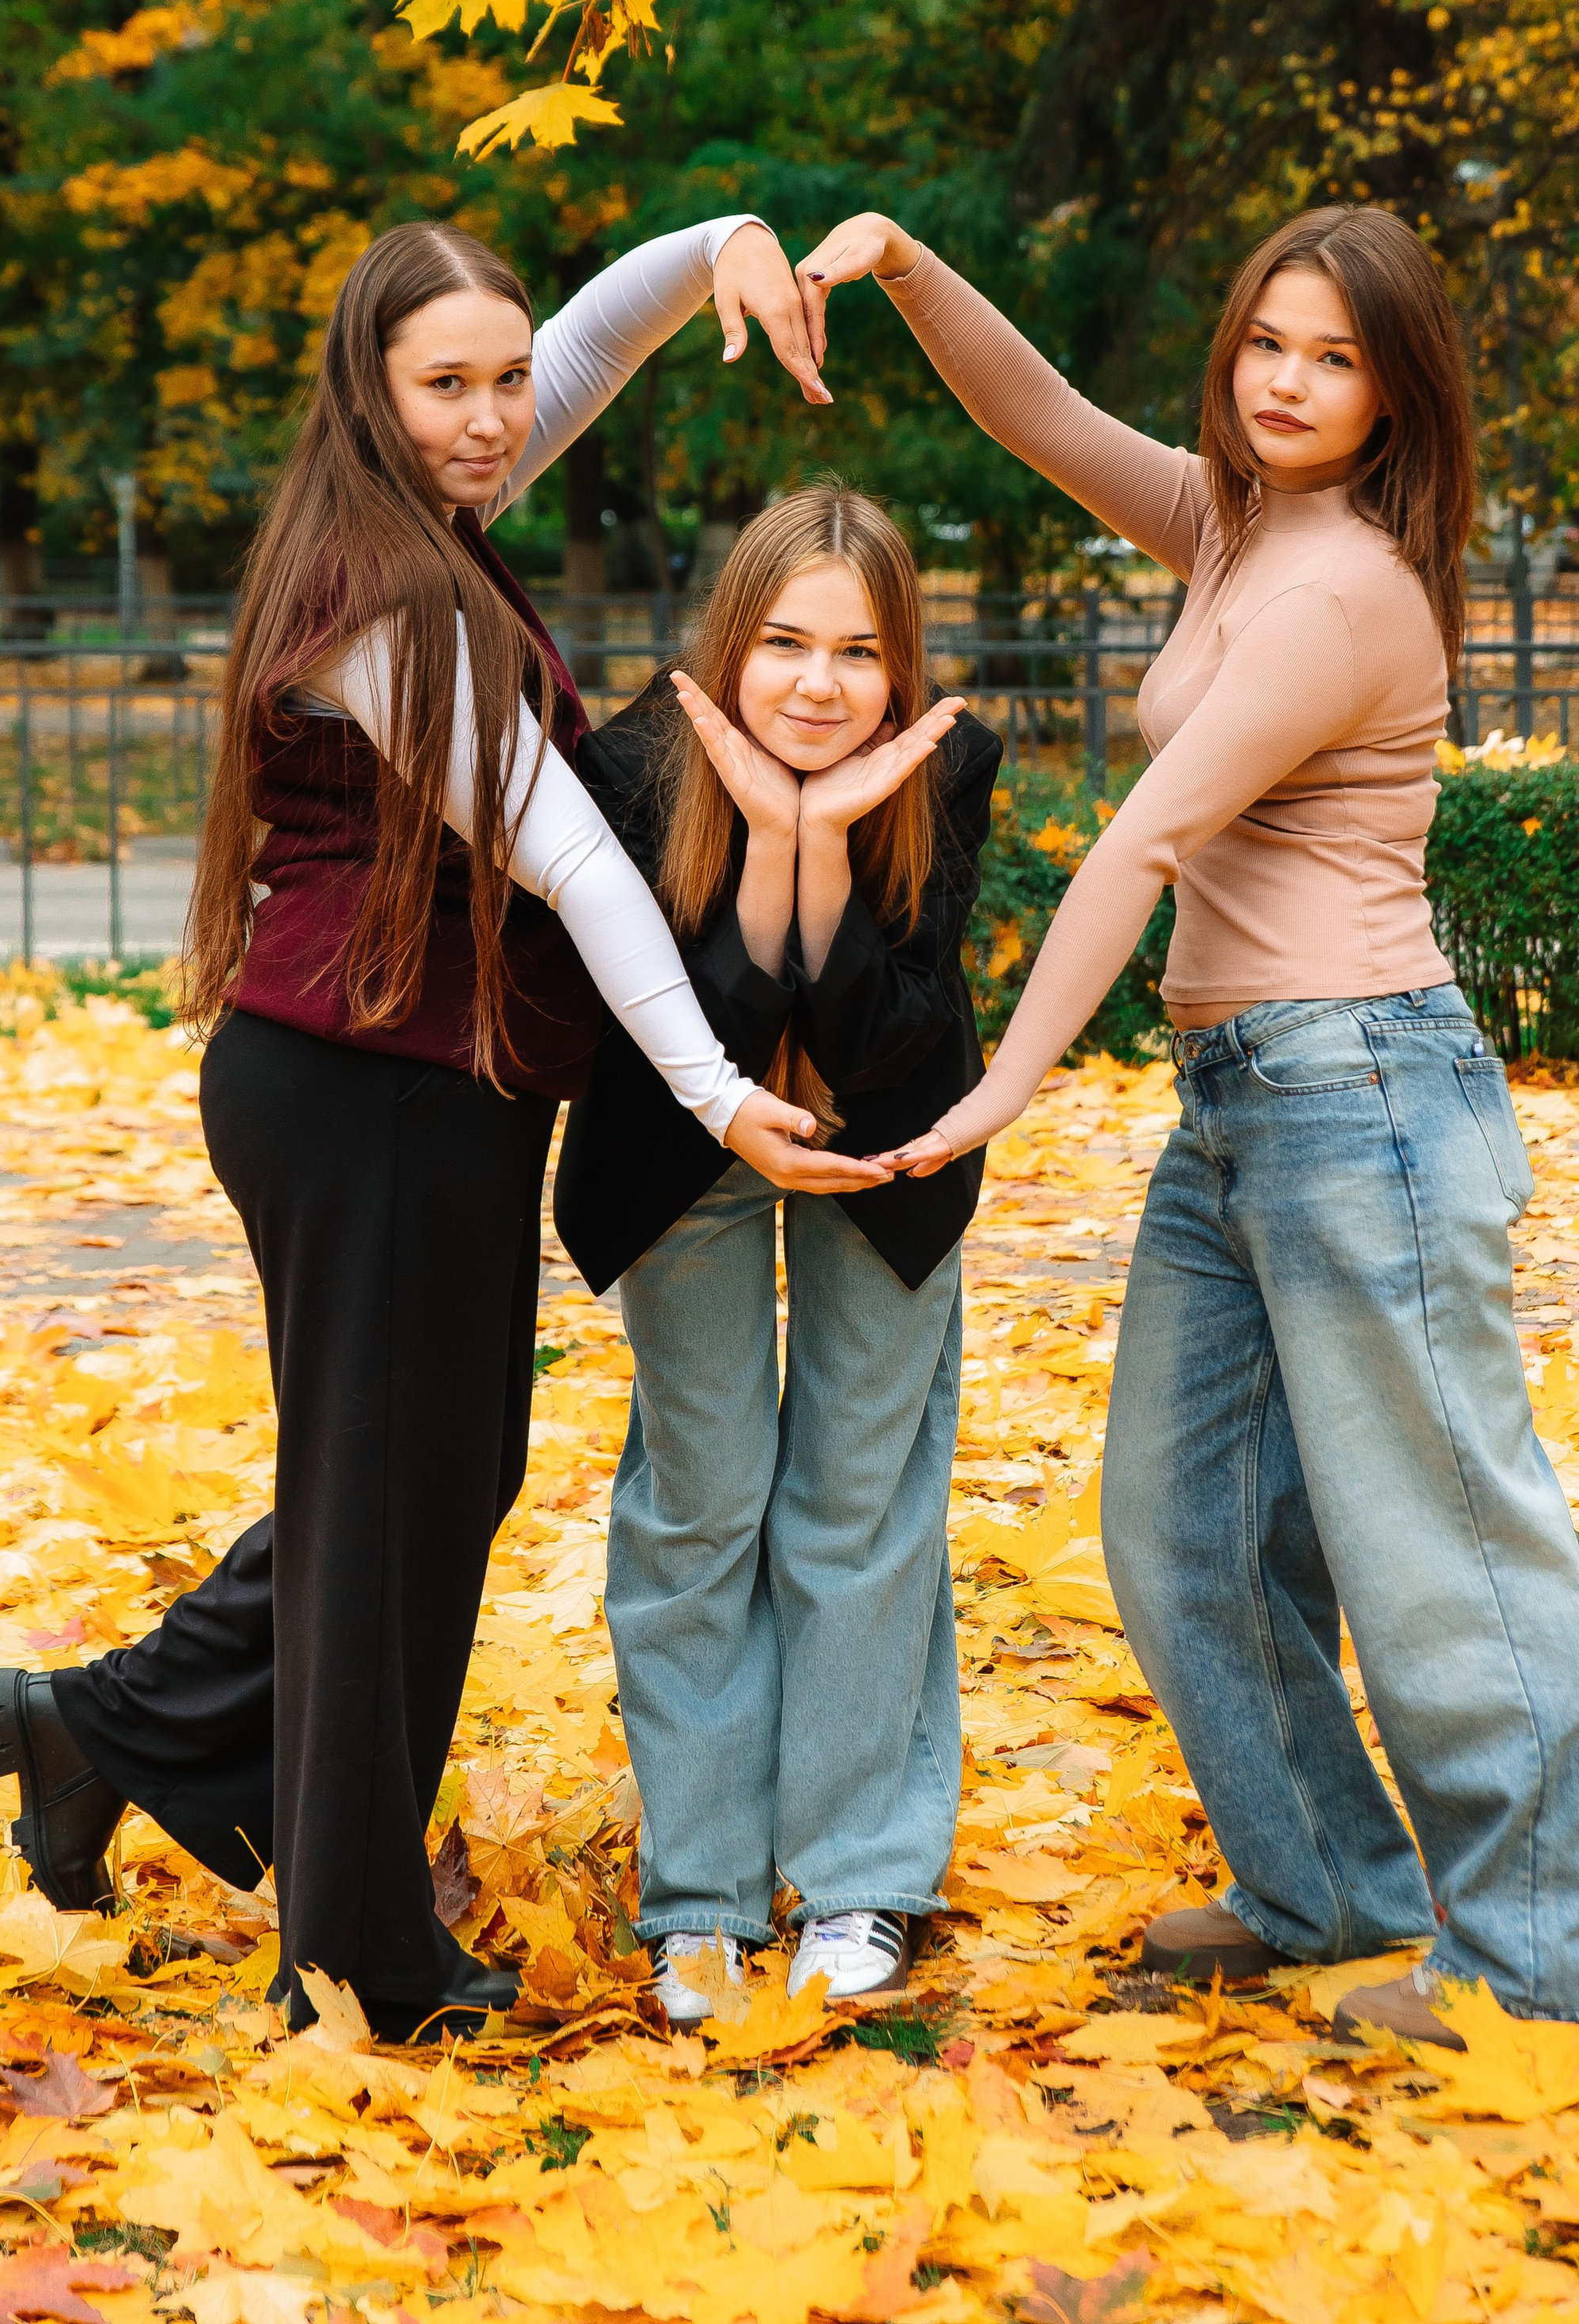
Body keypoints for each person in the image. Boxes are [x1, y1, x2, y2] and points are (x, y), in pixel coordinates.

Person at [0, 210, 889, 2046]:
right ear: (372, 393)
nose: (489, 417)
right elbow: (568, 853)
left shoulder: (421, 503)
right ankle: (355, 1963)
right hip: (361, 1092)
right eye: (446, 385)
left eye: (498, 380)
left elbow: (601, 341)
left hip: (431, 1090)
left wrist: (722, 246)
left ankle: (102, 1727)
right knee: (381, 1514)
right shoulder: (384, 598)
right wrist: (716, 1093)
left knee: (426, 1486)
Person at [794, 203, 1579, 2045]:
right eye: (1266, 339)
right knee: (1177, 1535)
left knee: (1441, 1558)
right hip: (1245, 1109)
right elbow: (1039, 414)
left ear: (1394, 395)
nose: (1284, 380)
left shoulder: (1344, 590)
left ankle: (1550, 1975)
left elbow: (1145, 838)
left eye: (1332, 358)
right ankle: (1329, 1890)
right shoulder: (1231, 526)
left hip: (1360, 1101)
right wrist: (900, 267)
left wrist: (1001, 1082)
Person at [554, 488, 1000, 2015]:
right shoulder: (631, 763)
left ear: (903, 661)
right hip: (686, 1165)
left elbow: (892, 1038)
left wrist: (823, 847)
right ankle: (703, 1893)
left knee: (858, 1506)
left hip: (886, 1153)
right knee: (703, 1504)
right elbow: (705, 1041)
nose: (819, 684)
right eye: (786, 645)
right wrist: (765, 841)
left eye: (859, 652)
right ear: (731, 643)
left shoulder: (948, 764)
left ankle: (863, 1878)